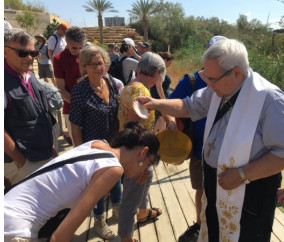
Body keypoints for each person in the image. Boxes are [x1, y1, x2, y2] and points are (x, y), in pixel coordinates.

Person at [137, 38, 284, 242]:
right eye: (206, 76)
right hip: (216, 183)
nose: (207, 83)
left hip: (248, 192)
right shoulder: (218, 89)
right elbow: (188, 106)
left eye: (212, 79)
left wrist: (243, 174)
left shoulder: (270, 100)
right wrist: (155, 103)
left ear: (236, 72)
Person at [4, 122, 160, 242]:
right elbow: (59, 237)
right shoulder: (113, 170)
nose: (145, 170)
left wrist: (139, 168)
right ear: (143, 152)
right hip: (16, 228)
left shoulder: (97, 144)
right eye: (149, 163)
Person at [118, 52, 176, 242]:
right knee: (130, 198)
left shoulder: (131, 86)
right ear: (158, 72)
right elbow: (132, 130)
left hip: (141, 153)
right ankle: (126, 237)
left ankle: (143, 212)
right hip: (137, 155)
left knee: (148, 176)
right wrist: (138, 163)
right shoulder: (141, 92)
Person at [176, 35, 228, 242]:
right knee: (201, 190)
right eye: (211, 53)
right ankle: (199, 224)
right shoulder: (191, 81)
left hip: (226, 154)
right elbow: (175, 105)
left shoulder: (238, 84)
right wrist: (167, 117)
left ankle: (219, 227)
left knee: (224, 193)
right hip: (199, 149)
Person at [69, 45, 123, 239]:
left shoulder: (109, 82)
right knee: (98, 185)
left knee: (116, 177)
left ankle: (118, 209)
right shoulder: (80, 90)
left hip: (113, 142)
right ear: (84, 66)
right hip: (93, 147)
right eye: (93, 65)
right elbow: (75, 125)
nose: (98, 68)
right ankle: (99, 221)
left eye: (100, 63)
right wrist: (81, 153)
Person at [4, 28, 55, 186]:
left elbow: (43, 115)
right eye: (22, 53)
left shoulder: (30, 76)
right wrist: (22, 163)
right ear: (5, 52)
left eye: (32, 54)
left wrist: (52, 150)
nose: (29, 58)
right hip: (24, 164)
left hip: (43, 155)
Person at [53, 26, 86, 143]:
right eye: (74, 48)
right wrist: (79, 105)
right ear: (66, 42)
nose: (77, 51)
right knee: (78, 146)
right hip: (72, 107)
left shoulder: (86, 55)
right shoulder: (59, 59)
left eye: (80, 48)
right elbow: (61, 88)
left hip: (91, 106)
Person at [150, 51, 173, 132]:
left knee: (160, 119)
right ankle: (160, 138)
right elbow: (158, 86)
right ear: (165, 60)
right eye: (169, 63)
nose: (170, 65)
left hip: (157, 96)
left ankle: (157, 136)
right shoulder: (161, 69)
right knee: (162, 118)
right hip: (160, 97)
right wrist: (164, 100)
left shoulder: (156, 67)